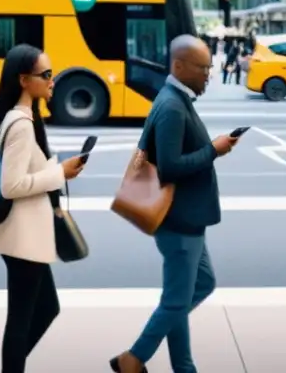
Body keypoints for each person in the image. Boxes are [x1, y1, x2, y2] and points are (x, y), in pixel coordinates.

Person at [111, 35, 238, 373]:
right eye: (202, 68)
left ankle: (181, 366)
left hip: (187, 219)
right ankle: (133, 359)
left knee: (192, 290)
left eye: (210, 67)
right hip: (178, 220)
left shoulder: (177, 100)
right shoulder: (171, 107)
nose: (208, 74)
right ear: (178, 66)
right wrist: (214, 149)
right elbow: (169, 168)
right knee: (177, 300)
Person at [0, 44, 86, 373]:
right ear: (24, 80)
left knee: (43, 309)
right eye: (47, 75)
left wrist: (56, 174)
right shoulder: (21, 124)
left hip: (26, 236)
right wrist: (59, 173)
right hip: (22, 238)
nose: (53, 80)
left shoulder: (24, 118)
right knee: (22, 319)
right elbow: (11, 185)